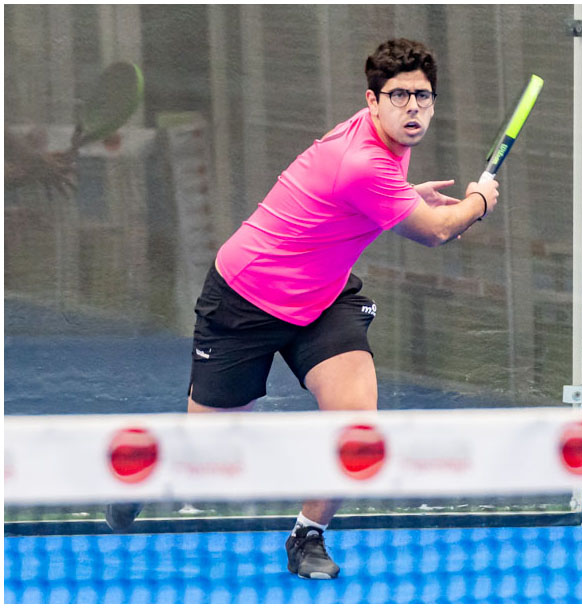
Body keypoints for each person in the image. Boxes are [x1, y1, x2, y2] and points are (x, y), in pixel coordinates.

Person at [106, 38, 499, 580]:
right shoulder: (362, 162)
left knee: (356, 429)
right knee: (211, 455)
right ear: (372, 100)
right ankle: (151, 471)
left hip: (324, 297)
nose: (413, 107)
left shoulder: (383, 145)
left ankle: (308, 534)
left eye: (423, 96)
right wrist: (480, 200)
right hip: (245, 298)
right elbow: (435, 233)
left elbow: (357, 199)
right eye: (399, 95)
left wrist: (406, 194)